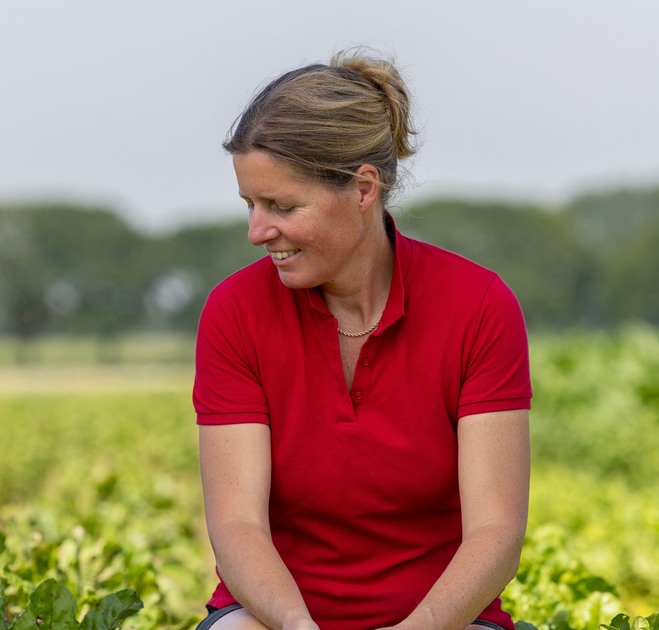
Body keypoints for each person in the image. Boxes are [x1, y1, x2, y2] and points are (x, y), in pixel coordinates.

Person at [192, 48, 533, 630]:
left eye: (281, 205)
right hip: (273, 620)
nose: (257, 232)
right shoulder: (234, 312)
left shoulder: (478, 306)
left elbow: (495, 530)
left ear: (363, 187)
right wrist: (300, 629)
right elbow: (237, 525)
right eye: (250, 204)